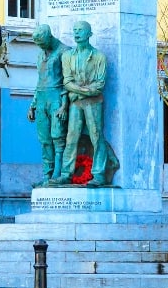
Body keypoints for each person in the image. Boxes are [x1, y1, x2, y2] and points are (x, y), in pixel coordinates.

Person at [51, 20, 120, 187]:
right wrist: (81, 92)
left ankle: (99, 174)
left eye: (80, 30)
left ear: (89, 34)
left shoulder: (99, 57)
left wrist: (78, 93)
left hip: (93, 103)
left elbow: (99, 85)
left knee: (97, 137)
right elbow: (66, 82)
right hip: (76, 104)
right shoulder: (67, 56)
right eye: (75, 30)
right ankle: (66, 174)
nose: (77, 33)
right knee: (71, 138)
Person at [27, 25, 68, 186]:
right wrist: (33, 104)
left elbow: (68, 79)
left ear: (49, 37)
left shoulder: (64, 52)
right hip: (42, 98)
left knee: (57, 137)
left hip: (57, 98)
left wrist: (64, 105)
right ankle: (47, 175)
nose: (41, 47)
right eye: (38, 45)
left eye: (43, 43)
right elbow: (40, 81)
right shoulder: (40, 55)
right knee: (44, 139)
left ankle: (58, 173)